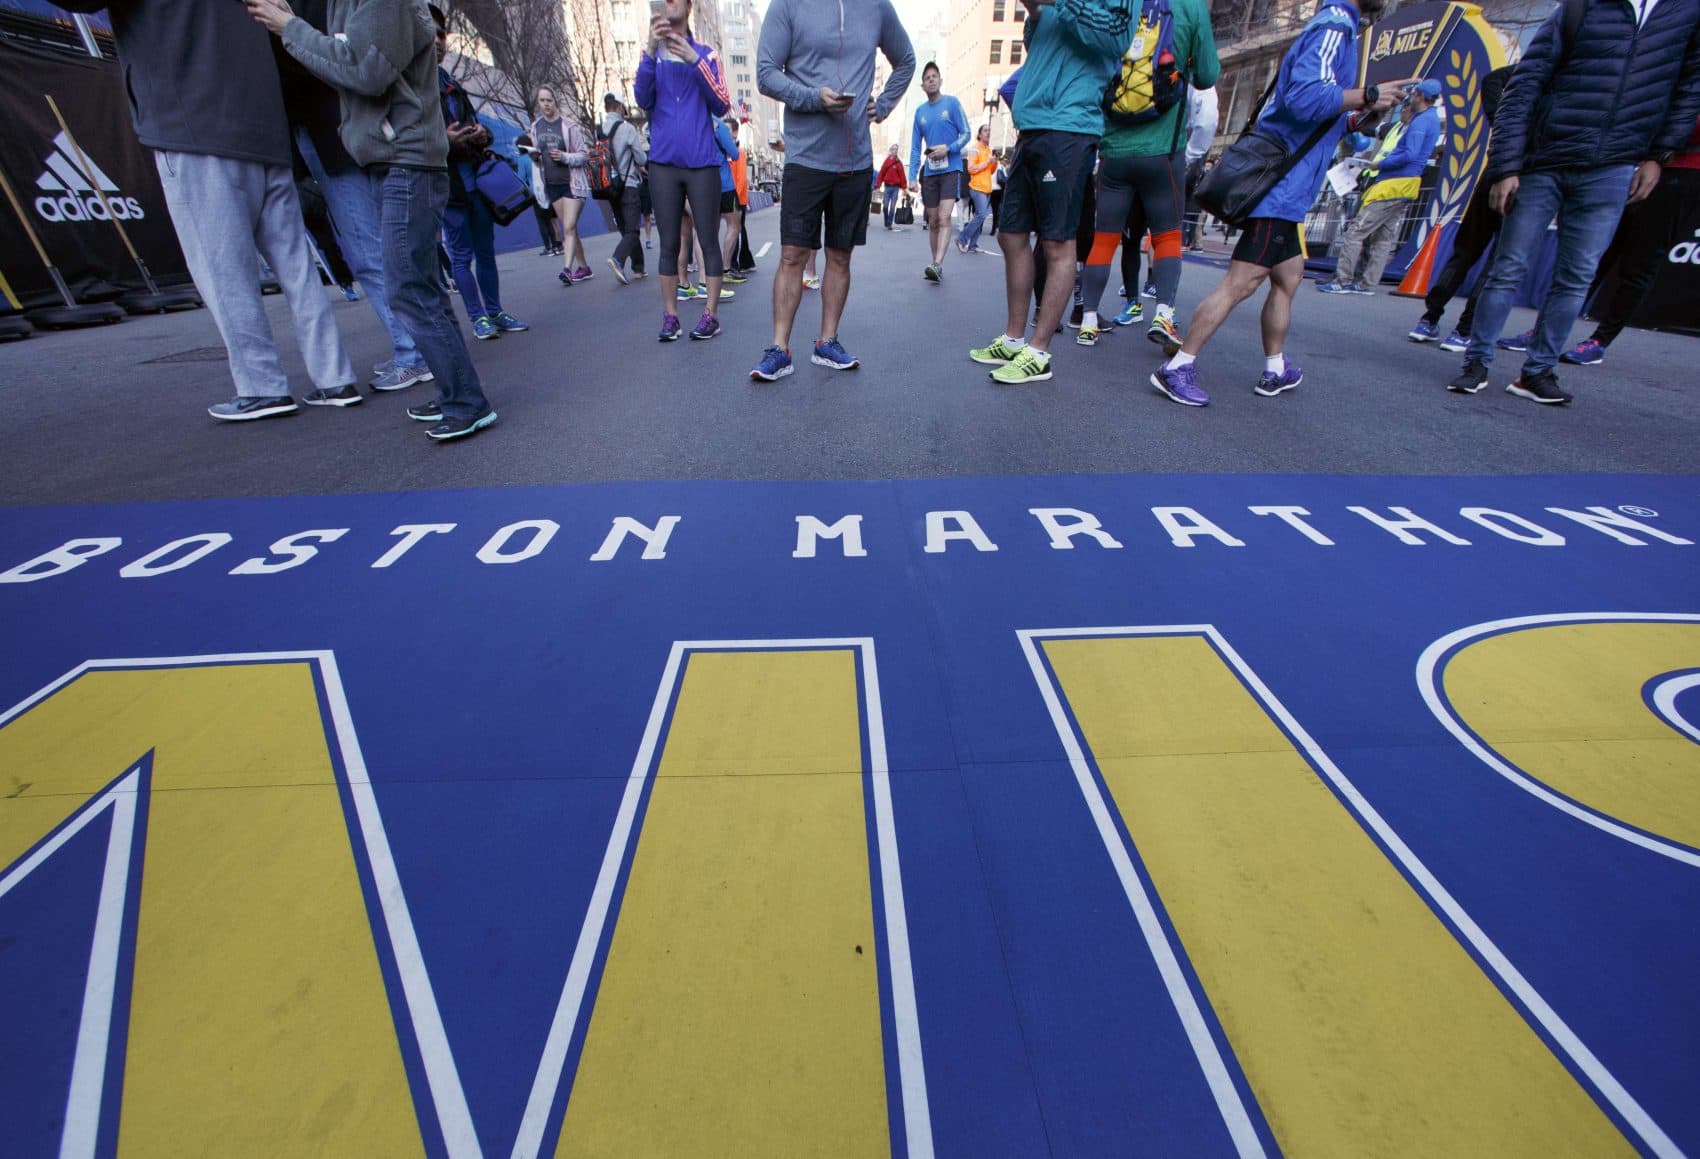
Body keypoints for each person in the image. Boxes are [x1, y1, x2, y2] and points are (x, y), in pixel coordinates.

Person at [60, 0, 358, 421]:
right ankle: (334, 377)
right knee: (297, 269)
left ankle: (263, 386)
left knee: (224, 270)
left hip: (191, 126)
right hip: (265, 131)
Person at [249, 0, 498, 441]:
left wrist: (292, 29)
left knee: (409, 289)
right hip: (399, 160)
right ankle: (456, 393)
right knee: (422, 289)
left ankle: (466, 402)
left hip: (407, 162)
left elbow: (365, 70)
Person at [1448, 0, 1700, 405]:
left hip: (1615, 164)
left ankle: (1537, 371)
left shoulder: (1685, 14)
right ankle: (1476, 362)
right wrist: (1507, 165)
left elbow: (1689, 87)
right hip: (1544, 159)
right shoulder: (1582, 7)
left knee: (1577, 274)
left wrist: (1660, 154)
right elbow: (1524, 83)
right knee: (1507, 266)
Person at [1149, 0, 1399, 406]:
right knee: (1240, 283)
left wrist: (1358, 113)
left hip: (1289, 192)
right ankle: (1177, 366)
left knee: (1287, 278)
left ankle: (1276, 368)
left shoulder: (1340, 29)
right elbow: (1304, 100)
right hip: (1281, 190)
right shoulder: (1335, 27)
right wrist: (1365, 95)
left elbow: (1316, 109)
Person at [967, 0, 1131, 386]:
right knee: (1010, 233)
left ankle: (1038, 352)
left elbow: (1115, 39)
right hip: (1034, 122)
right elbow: (1036, 43)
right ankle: (1013, 338)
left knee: (1057, 241)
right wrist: (1035, 11)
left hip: (1070, 125)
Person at [275, 0, 435, 394]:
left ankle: (415, 352)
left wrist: (288, 29)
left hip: (345, 134)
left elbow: (363, 69)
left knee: (375, 252)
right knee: (392, 252)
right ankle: (423, 353)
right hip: (348, 133)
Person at [751, 0, 915, 381]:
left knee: (839, 256)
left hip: (855, 159)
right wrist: (813, 97)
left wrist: (885, 104)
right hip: (805, 156)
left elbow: (906, 59)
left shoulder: (876, 6)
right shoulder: (788, 5)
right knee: (793, 254)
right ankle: (779, 348)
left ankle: (827, 342)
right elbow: (764, 73)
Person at [1075, 0, 1219, 351]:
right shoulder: (1190, 6)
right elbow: (1207, 74)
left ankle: (1089, 319)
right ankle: (1163, 313)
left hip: (1114, 151)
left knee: (1105, 238)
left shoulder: (1119, 3)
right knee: (1167, 236)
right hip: (1162, 150)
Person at [1563, 115, 1700, 365]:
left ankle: (1600, 341)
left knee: (1642, 261)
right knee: (1593, 251)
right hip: (1629, 163)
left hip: (1682, 172)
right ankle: (1550, 326)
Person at [636, 0, 733, 342]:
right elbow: (642, 98)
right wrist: (649, 49)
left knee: (708, 239)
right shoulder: (654, 55)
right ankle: (670, 316)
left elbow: (722, 102)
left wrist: (694, 62)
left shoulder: (706, 54)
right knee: (669, 242)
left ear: (690, 6)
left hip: (702, 162)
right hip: (663, 162)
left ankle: (710, 314)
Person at [435, 9, 528, 341]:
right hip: (448, 186)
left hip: (476, 183)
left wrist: (481, 134)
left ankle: (495, 310)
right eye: (430, 34)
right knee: (461, 255)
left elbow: (477, 124)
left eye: (441, 34)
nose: (437, 42)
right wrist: (441, 139)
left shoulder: (450, 83)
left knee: (486, 251)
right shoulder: (415, 86)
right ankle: (478, 317)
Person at [1406, 65, 1511, 349]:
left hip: (1499, 169)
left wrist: (1499, 118)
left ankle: (1430, 318)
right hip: (1524, 177)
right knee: (1498, 259)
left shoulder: (1523, 91)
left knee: (1466, 253)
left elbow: (1492, 79)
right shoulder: (1553, 87)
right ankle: (1463, 329)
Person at [1319, 79, 1441, 295]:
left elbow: (1410, 153)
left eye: (1413, 94)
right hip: (1404, 184)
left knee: (1356, 231)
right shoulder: (1428, 120)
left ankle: (1343, 279)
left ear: (1420, 96)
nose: (1410, 98)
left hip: (1392, 184)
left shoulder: (1421, 121)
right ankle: (1366, 283)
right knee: (1383, 237)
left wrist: (1380, 164)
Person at [909, 62, 971, 281]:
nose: (931, 80)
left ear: (940, 80)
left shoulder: (952, 104)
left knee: (945, 218)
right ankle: (934, 261)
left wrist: (948, 148)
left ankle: (937, 264)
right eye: (927, 78)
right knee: (934, 220)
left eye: (934, 76)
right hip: (930, 173)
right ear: (923, 85)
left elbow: (966, 133)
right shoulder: (920, 112)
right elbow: (916, 147)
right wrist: (912, 177)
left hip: (951, 169)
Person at [532, 86, 593, 285]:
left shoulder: (569, 125)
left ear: (555, 101)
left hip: (572, 183)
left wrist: (565, 156)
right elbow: (536, 154)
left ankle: (566, 268)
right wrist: (534, 156)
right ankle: (583, 267)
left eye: (549, 100)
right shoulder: (536, 127)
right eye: (542, 100)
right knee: (570, 229)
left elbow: (584, 155)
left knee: (568, 227)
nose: (546, 104)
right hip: (551, 183)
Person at [603, 94, 649, 284]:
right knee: (632, 230)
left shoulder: (600, 130)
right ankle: (618, 259)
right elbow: (641, 158)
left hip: (608, 186)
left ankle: (638, 268)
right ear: (621, 107)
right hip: (628, 183)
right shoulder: (627, 128)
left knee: (626, 229)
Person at [515, 134, 564, 256]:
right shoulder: (538, 154)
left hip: (535, 193)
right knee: (553, 219)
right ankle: (558, 245)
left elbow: (521, 178)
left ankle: (549, 247)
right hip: (549, 189)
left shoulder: (522, 159)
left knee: (543, 221)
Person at [714, 114, 744, 285]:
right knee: (734, 225)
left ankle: (704, 279)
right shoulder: (718, 125)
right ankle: (725, 269)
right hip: (723, 183)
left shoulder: (691, 118)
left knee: (702, 232)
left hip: (700, 183)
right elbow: (734, 153)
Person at [958, 125, 997, 252]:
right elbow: (971, 169)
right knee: (980, 215)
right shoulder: (975, 148)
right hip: (977, 187)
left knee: (979, 216)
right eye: (985, 130)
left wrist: (994, 162)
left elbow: (990, 172)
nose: (988, 133)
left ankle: (973, 245)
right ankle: (962, 239)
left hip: (986, 188)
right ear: (979, 134)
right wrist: (987, 162)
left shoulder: (988, 150)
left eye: (989, 130)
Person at [876, 144, 908, 230]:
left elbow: (902, 176)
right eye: (894, 149)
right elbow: (881, 173)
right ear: (890, 150)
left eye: (896, 149)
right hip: (887, 187)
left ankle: (889, 223)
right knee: (885, 206)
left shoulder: (899, 163)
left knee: (893, 206)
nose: (895, 151)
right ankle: (886, 220)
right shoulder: (886, 162)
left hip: (895, 187)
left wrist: (904, 188)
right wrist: (878, 186)